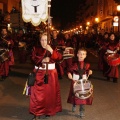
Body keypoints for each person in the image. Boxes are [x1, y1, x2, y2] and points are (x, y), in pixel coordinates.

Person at [29, 32, 62, 120]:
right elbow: (33, 59)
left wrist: (51, 50)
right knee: (37, 94)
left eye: (46, 40)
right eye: (42, 40)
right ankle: (37, 113)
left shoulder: (53, 48)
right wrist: (42, 60)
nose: (44, 42)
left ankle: (48, 110)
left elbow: (59, 58)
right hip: (39, 73)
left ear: (49, 40)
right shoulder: (35, 48)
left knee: (49, 93)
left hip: (51, 74)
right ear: (39, 41)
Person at [67, 48, 93, 118]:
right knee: (74, 95)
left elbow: (87, 71)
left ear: (85, 56)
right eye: (80, 54)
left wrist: (90, 72)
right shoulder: (73, 64)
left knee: (83, 96)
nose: (82, 55)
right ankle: (74, 104)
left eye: (83, 54)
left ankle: (82, 110)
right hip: (75, 81)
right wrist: (69, 74)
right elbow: (69, 70)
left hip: (83, 82)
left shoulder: (87, 64)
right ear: (77, 54)